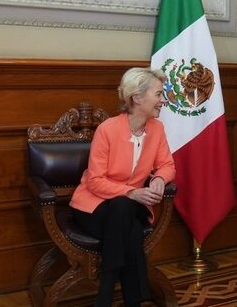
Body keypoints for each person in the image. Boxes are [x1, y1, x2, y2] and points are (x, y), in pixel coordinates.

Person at [69, 67, 175, 307]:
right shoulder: (107, 129)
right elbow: (95, 181)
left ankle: (105, 293)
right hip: (92, 208)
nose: (163, 100)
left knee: (123, 208)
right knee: (128, 221)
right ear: (137, 98)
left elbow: (167, 165)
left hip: (130, 206)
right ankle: (134, 299)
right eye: (158, 94)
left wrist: (159, 179)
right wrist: (131, 192)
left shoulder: (156, 129)